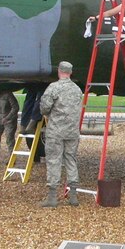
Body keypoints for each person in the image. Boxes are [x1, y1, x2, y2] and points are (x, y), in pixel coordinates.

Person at [39, 61, 83, 207]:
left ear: (59, 71)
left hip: (56, 131)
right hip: (72, 132)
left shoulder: (54, 88)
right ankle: (73, 196)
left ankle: (52, 197)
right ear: (70, 72)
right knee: (71, 160)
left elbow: (44, 108)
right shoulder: (77, 89)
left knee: (53, 161)